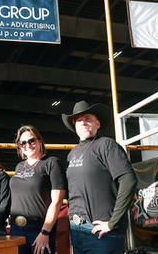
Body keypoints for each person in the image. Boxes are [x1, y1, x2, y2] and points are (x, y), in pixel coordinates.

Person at [62, 101, 138, 254]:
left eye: (87, 118)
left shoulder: (107, 145)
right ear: (74, 126)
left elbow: (129, 180)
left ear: (98, 123)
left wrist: (113, 222)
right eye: (78, 120)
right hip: (77, 229)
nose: (83, 122)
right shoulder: (72, 153)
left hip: (102, 232)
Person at [10, 125, 67, 254]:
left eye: (31, 141)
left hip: (39, 229)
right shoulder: (20, 166)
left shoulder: (52, 163)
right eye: (22, 143)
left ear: (40, 141)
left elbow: (57, 202)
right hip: (16, 230)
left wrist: (45, 232)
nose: (27, 145)